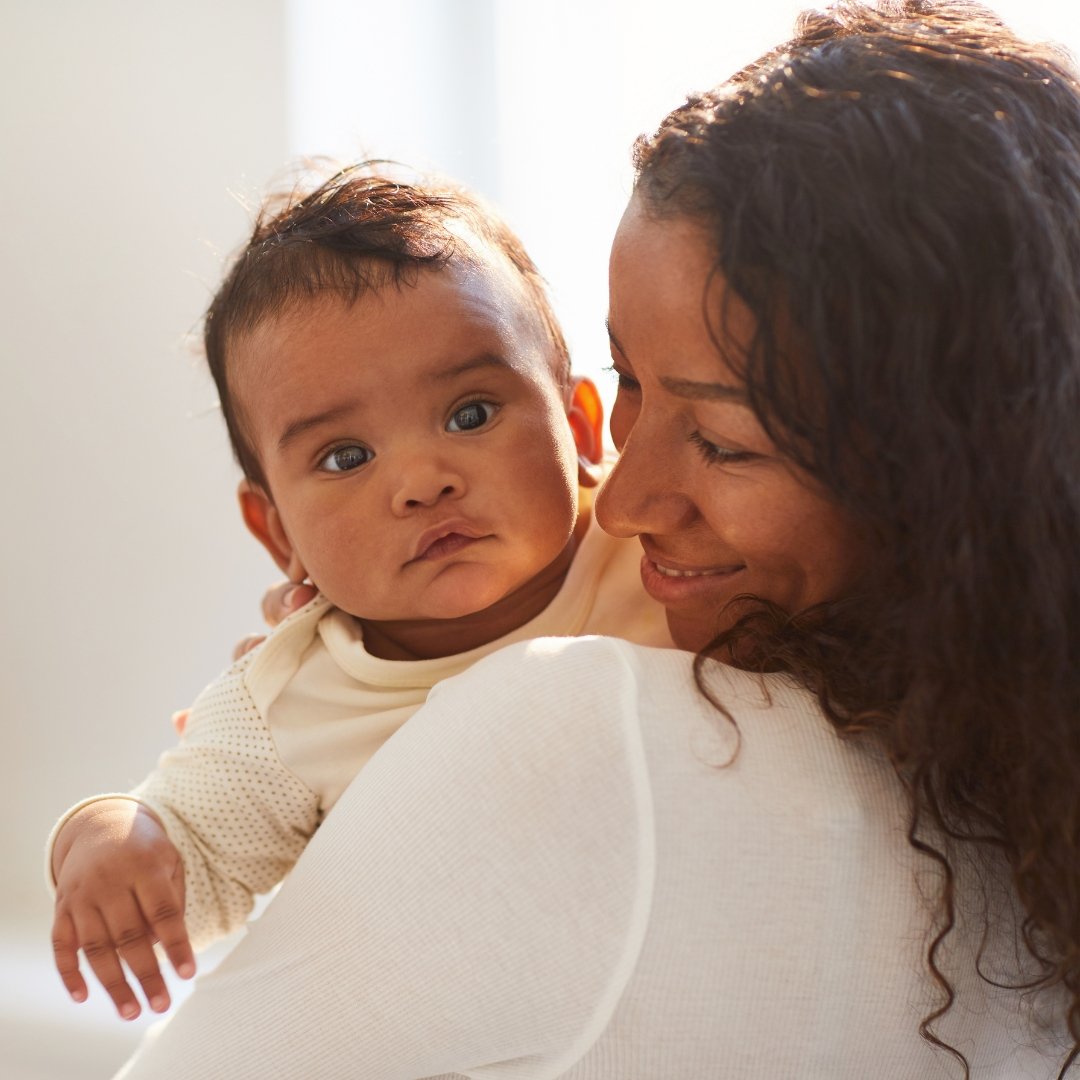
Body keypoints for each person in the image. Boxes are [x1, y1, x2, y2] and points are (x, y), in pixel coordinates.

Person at [107, 1, 1080, 1075]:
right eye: (630, 384)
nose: (618, 500)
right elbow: (189, 846)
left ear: (946, 475)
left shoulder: (573, 719)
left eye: (721, 439)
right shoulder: (1017, 778)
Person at [47, 168, 673, 1020]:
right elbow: (195, 856)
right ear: (278, 535)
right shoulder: (293, 695)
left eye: (471, 413)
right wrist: (109, 836)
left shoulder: (657, 550)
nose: (421, 481)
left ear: (581, 426)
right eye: (345, 457)